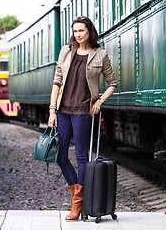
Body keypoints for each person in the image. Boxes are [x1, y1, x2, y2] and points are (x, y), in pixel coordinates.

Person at [48, 16, 118, 221]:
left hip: (83, 112)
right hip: (63, 110)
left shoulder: (100, 54)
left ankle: (77, 204)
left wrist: (100, 101)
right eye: (75, 31)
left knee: (81, 157)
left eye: (81, 31)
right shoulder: (66, 51)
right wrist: (52, 110)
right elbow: (57, 81)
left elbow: (113, 82)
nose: (78, 34)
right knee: (60, 156)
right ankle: (78, 195)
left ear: (89, 32)